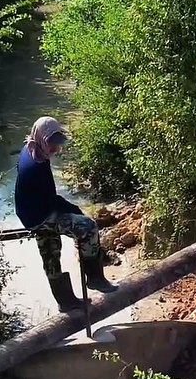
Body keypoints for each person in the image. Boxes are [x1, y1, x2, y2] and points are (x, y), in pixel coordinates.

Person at [14, 117, 118, 312]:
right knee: (88, 227)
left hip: (29, 213)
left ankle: (65, 301)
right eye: (52, 143)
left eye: (56, 143)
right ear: (42, 138)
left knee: (50, 250)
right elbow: (51, 201)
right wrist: (77, 211)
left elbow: (45, 198)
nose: (55, 148)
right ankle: (95, 278)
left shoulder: (32, 149)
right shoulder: (35, 166)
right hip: (39, 215)